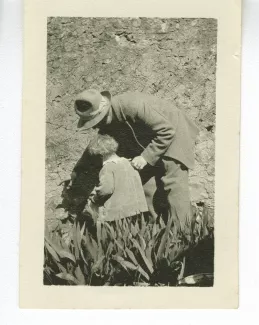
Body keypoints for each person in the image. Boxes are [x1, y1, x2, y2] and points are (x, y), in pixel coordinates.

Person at [74, 88, 199, 233]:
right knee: (147, 185)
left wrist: (145, 157)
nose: (94, 126)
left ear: (104, 112)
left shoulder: (132, 105)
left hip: (174, 132)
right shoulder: (111, 118)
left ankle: (184, 233)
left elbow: (166, 130)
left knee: (173, 183)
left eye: (94, 122)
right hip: (154, 138)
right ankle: (158, 231)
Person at [86, 134, 148, 224]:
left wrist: (94, 199)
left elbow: (106, 190)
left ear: (100, 153)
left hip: (119, 212)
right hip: (137, 208)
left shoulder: (108, 167)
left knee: (116, 235)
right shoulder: (129, 162)